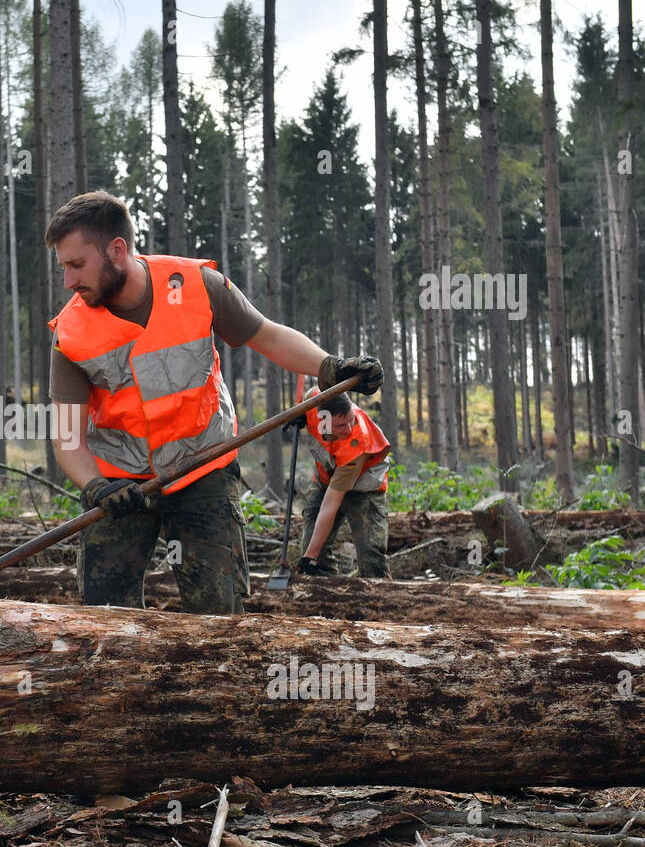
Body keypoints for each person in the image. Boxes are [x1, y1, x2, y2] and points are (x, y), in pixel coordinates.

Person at [46, 191, 382, 613]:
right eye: (64, 267)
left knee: (218, 617)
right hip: (119, 485)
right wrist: (96, 488)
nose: (68, 281)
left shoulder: (194, 287)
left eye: (76, 265)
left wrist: (329, 367)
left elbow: (268, 335)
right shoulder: (71, 332)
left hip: (203, 466)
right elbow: (67, 438)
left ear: (116, 250)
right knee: (104, 617)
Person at [296, 385, 392, 578]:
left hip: (365, 487)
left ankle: (379, 596)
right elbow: (314, 391)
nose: (348, 428)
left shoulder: (356, 441)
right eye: (340, 425)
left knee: (371, 557)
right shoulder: (314, 400)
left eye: (351, 420)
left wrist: (310, 555)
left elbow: (331, 504)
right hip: (327, 480)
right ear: (322, 419)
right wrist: (298, 413)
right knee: (314, 551)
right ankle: (325, 592)